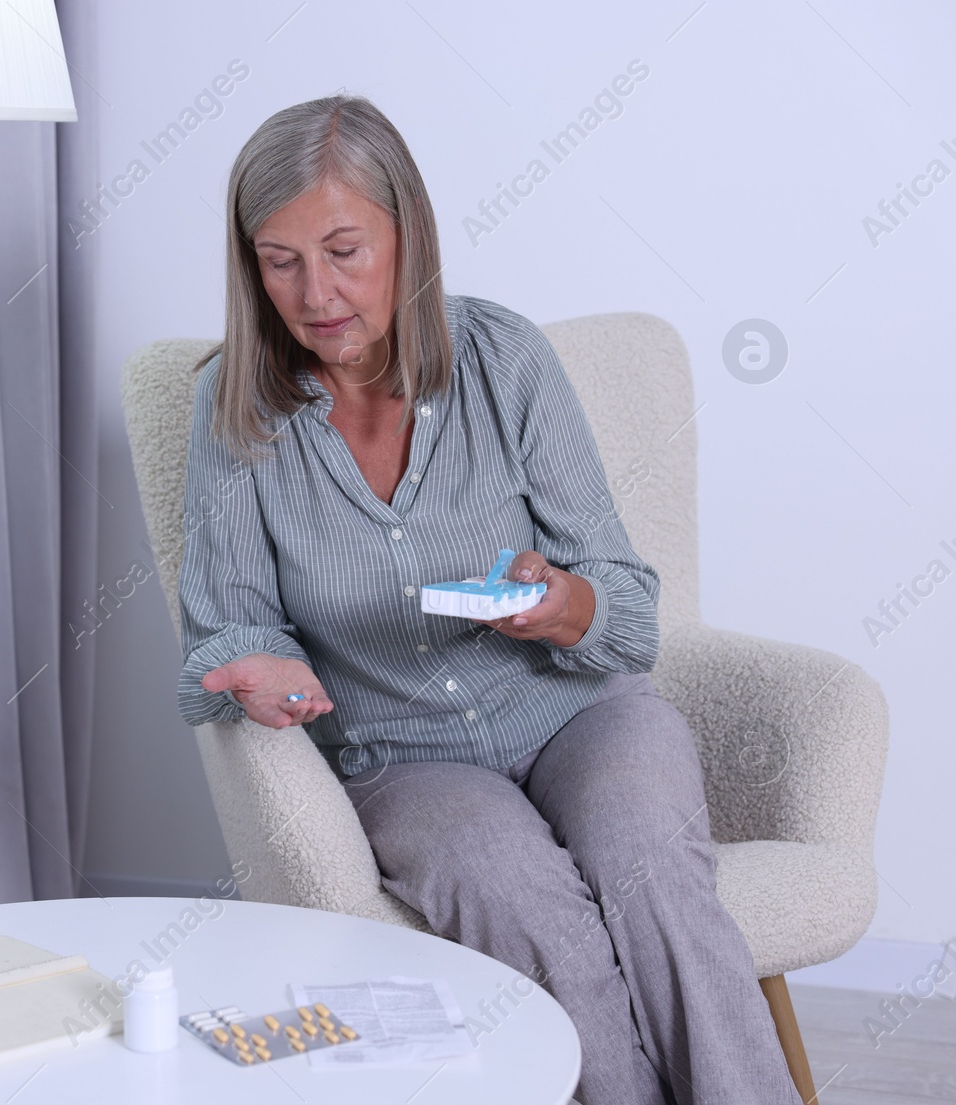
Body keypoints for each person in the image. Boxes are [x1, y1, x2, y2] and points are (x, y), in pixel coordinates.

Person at [174, 93, 802, 1105]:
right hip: (406, 760)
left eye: (343, 249)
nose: (314, 292)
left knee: (652, 877)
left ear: (404, 233)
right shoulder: (236, 408)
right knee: (524, 903)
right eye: (278, 258)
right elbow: (228, 623)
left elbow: (632, 609)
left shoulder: (504, 360)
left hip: (580, 713)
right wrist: (261, 669)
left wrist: (566, 607)